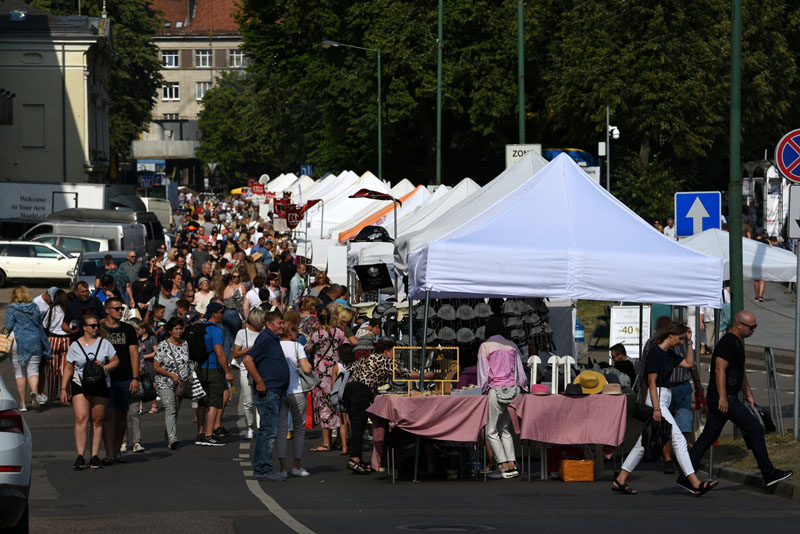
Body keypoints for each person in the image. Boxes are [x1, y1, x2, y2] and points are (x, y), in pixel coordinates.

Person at [690, 311, 793, 487]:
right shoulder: (728, 342)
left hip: (724, 396)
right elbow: (719, 370)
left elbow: (739, 371)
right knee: (755, 429)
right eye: (751, 327)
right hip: (724, 397)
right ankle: (768, 474)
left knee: (708, 436)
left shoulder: (736, 343)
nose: (753, 330)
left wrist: (749, 395)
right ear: (739, 324)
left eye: (755, 327)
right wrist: (723, 397)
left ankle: (686, 473)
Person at [613, 322, 715, 496]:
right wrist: (657, 409)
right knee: (679, 441)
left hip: (662, 398)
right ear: (671, 335)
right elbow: (651, 381)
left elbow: (690, 363)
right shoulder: (655, 353)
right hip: (657, 398)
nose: (681, 342)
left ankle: (620, 479)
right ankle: (695, 483)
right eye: (681, 338)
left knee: (644, 441)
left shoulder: (669, 353)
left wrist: (690, 342)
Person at [343, 338, 432, 473]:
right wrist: (425, 376)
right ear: (386, 351)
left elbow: (350, 368)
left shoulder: (367, 358)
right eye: (393, 352)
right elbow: (404, 373)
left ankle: (357, 459)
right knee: (358, 426)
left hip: (349, 390)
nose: (394, 356)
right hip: (360, 392)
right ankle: (354, 459)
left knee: (356, 425)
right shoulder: (383, 360)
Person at [61, 314, 120, 470]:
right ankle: (80, 455)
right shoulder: (75, 345)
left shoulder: (105, 343)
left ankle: (94, 456)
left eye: (97, 326)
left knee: (97, 420)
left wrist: (105, 368)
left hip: (100, 384)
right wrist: (63, 388)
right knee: (81, 418)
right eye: (92, 326)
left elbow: (116, 361)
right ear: (84, 328)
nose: (95, 328)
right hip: (80, 383)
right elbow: (69, 367)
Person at [477, 316, 528, 479]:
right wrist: (523, 387)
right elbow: (520, 371)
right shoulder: (512, 345)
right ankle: (512, 466)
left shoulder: (484, 346)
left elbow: (484, 373)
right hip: (513, 390)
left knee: (491, 431)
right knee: (505, 429)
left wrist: (483, 390)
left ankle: (504, 467)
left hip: (495, 389)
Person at [242, 310, 290, 481]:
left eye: (283, 322)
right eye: (279, 323)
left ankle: (262, 468)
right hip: (268, 391)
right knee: (268, 432)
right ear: (269, 324)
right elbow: (248, 359)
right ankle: (263, 469)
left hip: (274, 390)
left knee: (267, 431)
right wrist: (260, 381)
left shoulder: (272, 338)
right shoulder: (266, 338)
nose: (283, 326)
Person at [99, 297, 140, 465]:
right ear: (107, 310)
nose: (120, 311)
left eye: (121, 308)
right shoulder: (99, 328)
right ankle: (109, 452)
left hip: (124, 378)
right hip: (104, 379)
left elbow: (134, 354)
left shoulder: (128, 329)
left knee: (122, 416)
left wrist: (135, 378)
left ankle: (117, 451)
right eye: (116, 308)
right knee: (107, 416)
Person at [5, 286, 52, 411]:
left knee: (20, 373)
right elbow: (39, 322)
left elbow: (8, 326)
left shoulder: (12, 308)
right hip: (34, 340)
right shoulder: (34, 306)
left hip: (18, 341)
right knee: (33, 370)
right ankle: (34, 392)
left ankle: (23, 404)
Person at [306, 308, 345, 451]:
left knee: (323, 406)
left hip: (321, 374)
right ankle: (340, 440)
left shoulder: (317, 335)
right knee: (337, 405)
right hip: (336, 371)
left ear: (319, 320)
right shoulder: (339, 332)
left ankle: (326, 442)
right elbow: (342, 344)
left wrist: (311, 333)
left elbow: (308, 349)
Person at [195, 302, 234, 447]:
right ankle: (209, 435)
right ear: (214, 313)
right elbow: (220, 352)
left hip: (200, 369)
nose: (223, 315)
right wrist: (228, 371)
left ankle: (200, 433)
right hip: (213, 369)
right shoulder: (216, 331)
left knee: (201, 402)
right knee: (213, 402)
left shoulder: (199, 327)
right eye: (221, 312)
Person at [276, 321, 312, 477]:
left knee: (282, 429)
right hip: (297, 391)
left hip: (280, 391)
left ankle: (282, 468)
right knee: (299, 429)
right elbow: (306, 368)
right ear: (291, 333)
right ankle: (297, 465)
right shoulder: (297, 347)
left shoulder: (276, 346)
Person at [154, 317, 191, 450]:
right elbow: (156, 366)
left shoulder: (185, 343)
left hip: (181, 384)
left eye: (181, 328)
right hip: (165, 382)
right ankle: (173, 438)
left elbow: (187, 362)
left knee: (175, 410)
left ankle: (168, 436)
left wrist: (190, 373)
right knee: (170, 408)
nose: (179, 331)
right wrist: (171, 375)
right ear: (170, 331)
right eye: (176, 329)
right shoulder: (163, 345)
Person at [233, 308, 266, 440]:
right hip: (245, 369)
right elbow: (236, 354)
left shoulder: (264, 333)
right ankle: (250, 427)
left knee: (261, 399)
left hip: (261, 369)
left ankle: (261, 426)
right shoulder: (242, 333)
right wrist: (249, 349)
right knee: (248, 401)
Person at [42, 290, 70, 405]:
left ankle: (52, 396)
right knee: (66, 369)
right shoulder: (68, 309)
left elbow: (44, 324)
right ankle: (67, 395)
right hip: (67, 339)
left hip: (53, 339)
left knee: (52, 370)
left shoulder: (52, 309)